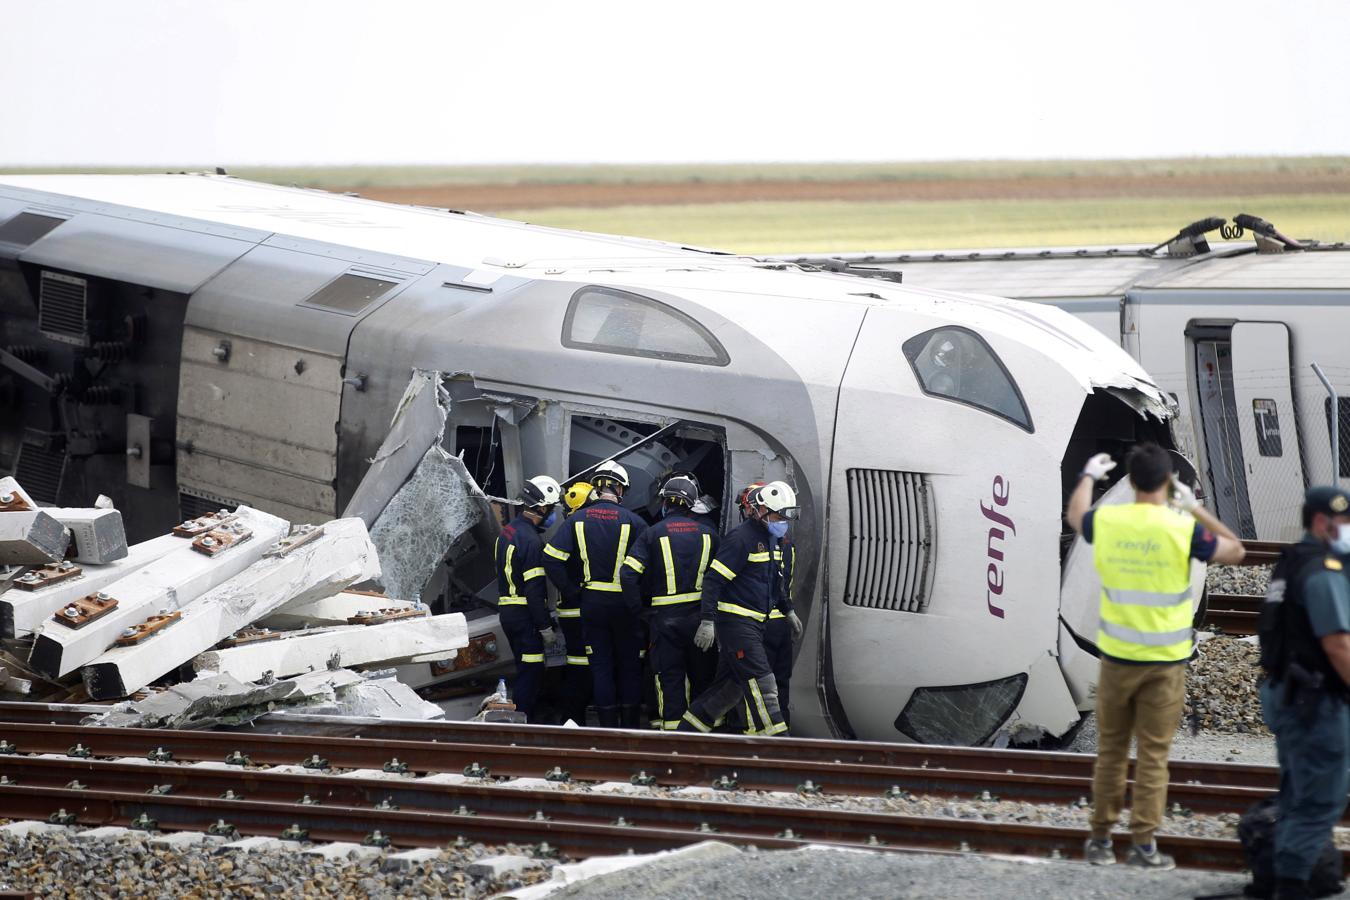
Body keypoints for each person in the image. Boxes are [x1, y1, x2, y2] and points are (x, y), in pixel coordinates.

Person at [1067, 443, 1245, 869]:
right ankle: (1144, 845)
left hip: (1116, 662)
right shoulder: (1181, 528)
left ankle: (1100, 841)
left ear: (1130, 482)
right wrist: (1194, 508)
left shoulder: (1110, 520)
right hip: (1164, 664)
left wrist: (1088, 477)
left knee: (1110, 753)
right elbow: (1235, 550)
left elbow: (1076, 517)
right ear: (1168, 483)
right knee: (1152, 756)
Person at [1256, 486, 1350, 900]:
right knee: (1320, 800)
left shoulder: (1291, 562)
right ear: (1321, 522)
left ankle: (1278, 876)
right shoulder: (1323, 571)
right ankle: (1291, 886)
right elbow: (1337, 644)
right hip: (1315, 702)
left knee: (1298, 791)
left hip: (1287, 694)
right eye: (1344, 522)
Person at [679, 481, 803, 736]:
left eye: (786, 516)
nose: (783, 521)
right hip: (737, 623)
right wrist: (707, 621)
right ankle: (778, 746)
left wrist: (787, 610)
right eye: (779, 515)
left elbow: (772, 583)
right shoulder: (741, 538)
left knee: (728, 690)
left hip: (758, 623)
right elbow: (714, 579)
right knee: (763, 683)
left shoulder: (771, 539)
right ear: (761, 510)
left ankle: (683, 736)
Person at [544, 461, 648, 728]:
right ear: (620, 488)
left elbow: (552, 558)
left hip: (592, 604)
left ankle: (607, 727)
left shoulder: (577, 520)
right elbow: (650, 568)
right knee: (629, 667)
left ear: (597, 487)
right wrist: (640, 603)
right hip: (625, 605)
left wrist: (571, 591)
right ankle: (631, 727)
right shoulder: (635, 522)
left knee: (600, 667)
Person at [621, 474, 720, 730]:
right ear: (691, 504)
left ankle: (675, 735)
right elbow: (722, 579)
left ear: (665, 502)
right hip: (701, 620)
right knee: (704, 677)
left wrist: (639, 611)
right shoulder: (710, 535)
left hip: (664, 619)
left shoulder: (652, 534)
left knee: (669, 677)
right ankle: (707, 734)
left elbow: (628, 574)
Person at [494, 475, 562, 723]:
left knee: (523, 669)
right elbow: (534, 592)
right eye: (552, 508)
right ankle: (523, 725)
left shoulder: (508, 532)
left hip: (508, 613)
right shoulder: (532, 541)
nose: (552, 514)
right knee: (530, 673)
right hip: (525, 618)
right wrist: (544, 627)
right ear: (542, 508)